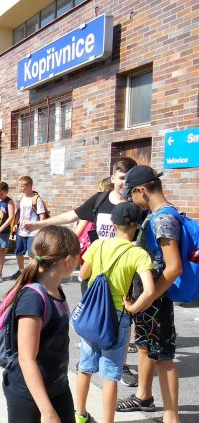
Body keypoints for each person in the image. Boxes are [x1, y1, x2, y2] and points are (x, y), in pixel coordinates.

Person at [26, 157, 140, 386]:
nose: (124, 183)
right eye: (121, 178)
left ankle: (121, 363)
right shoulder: (100, 200)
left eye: (128, 179)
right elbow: (71, 216)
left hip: (124, 272)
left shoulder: (135, 205)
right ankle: (88, 358)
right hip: (95, 271)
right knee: (92, 314)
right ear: (112, 177)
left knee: (122, 319)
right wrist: (40, 224)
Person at [75, 202, 156, 423]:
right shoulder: (138, 254)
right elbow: (149, 290)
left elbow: (83, 273)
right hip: (117, 317)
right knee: (110, 374)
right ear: (137, 227)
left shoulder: (98, 245)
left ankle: (80, 415)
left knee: (85, 368)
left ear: (113, 224)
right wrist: (133, 307)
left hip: (92, 316)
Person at [115, 165, 182, 422]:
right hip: (147, 301)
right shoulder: (155, 215)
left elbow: (173, 267)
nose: (131, 200)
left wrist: (149, 297)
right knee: (144, 347)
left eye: (131, 194)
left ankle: (171, 417)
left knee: (163, 357)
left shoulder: (163, 219)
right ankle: (143, 396)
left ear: (141, 190)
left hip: (155, 301)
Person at [1, 226, 80, 423]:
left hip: (57, 386)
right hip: (29, 395)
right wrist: (47, 411)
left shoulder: (55, 288)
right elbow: (26, 358)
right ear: (68, 261)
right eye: (78, 256)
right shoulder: (33, 299)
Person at [10, 176, 47, 280]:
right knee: (18, 252)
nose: (20, 188)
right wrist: (15, 224)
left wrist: (39, 228)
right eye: (20, 186)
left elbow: (42, 215)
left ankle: (32, 274)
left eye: (22, 186)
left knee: (31, 254)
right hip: (21, 231)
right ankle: (21, 271)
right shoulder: (21, 198)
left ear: (29, 186)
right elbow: (18, 212)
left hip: (33, 232)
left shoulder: (36, 199)